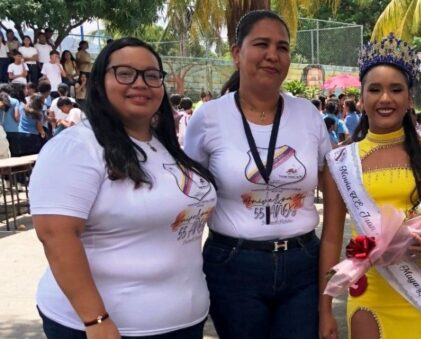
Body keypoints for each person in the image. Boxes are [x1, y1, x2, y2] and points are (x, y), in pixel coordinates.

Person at [29, 37, 217, 338]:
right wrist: (96, 320)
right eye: (125, 73)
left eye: (151, 75)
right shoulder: (76, 148)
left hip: (183, 320)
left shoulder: (165, 146)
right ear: (100, 82)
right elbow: (56, 235)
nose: (140, 83)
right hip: (107, 327)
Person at [184, 10, 331, 339]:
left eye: (282, 47)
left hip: (303, 263)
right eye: (261, 44)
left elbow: (336, 197)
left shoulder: (309, 116)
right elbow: (189, 198)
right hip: (233, 264)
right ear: (237, 53)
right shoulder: (208, 118)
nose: (272, 55)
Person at [319, 33, 421, 339]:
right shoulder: (341, 160)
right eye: (374, 89)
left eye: (395, 89)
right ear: (361, 97)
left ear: (409, 98)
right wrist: (324, 310)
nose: (385, 98)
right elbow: (331, 239)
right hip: (371, 293)